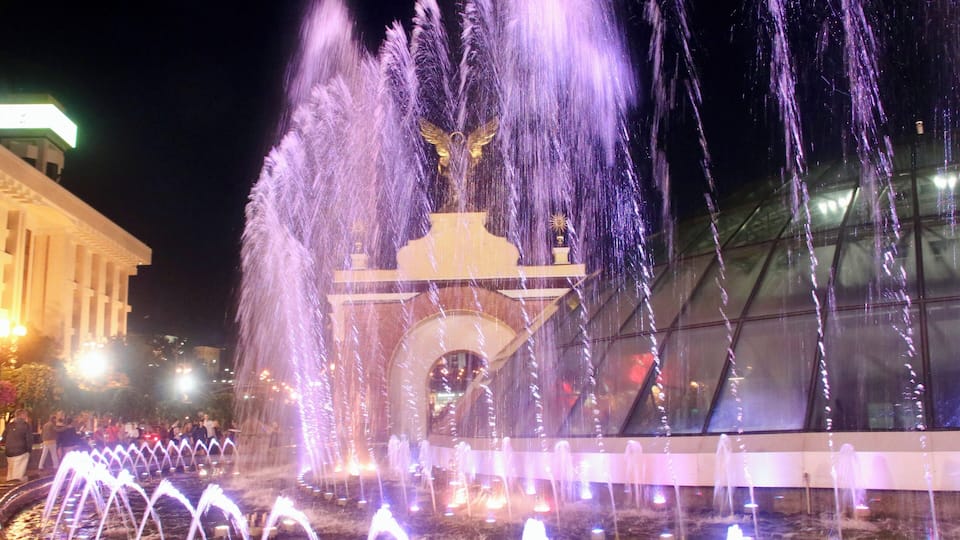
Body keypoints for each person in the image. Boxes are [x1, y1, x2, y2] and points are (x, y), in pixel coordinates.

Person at [3, 409, 33, 482]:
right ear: (22, 415)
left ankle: (9, 483)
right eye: (26, 415)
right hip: (21, 451)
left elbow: (3, 436)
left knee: (11, 470)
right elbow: (29, 439)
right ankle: (16, 485)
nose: (26, 416)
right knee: (18, 473)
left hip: (9, 452)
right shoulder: (26, 425)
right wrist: (29, 451)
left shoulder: (9, 425)